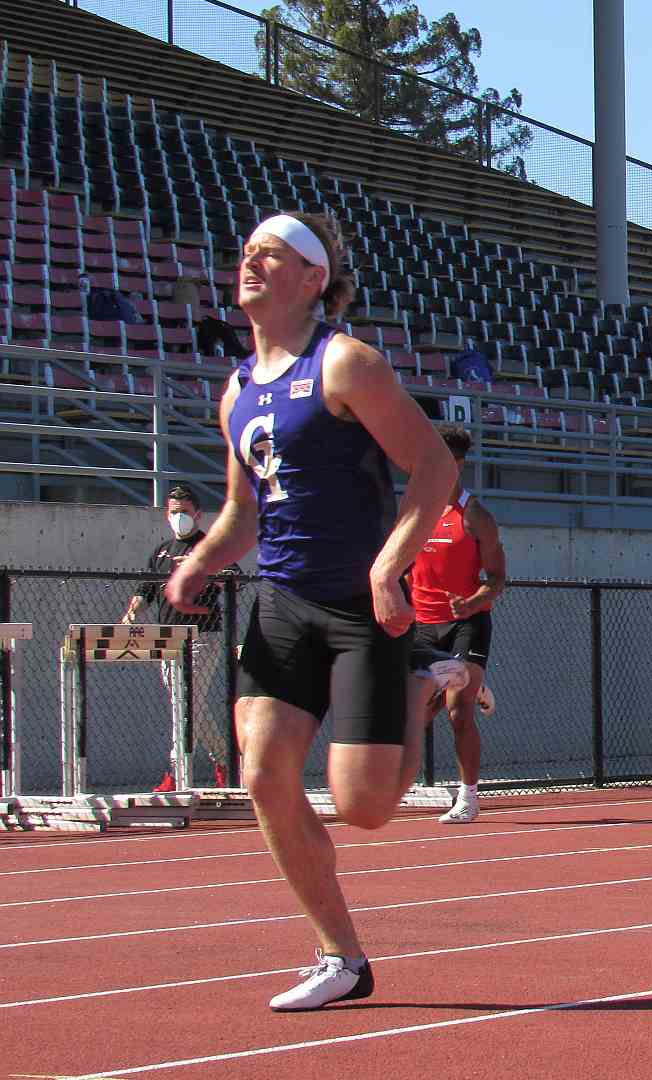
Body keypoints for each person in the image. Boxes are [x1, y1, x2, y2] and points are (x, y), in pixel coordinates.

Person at [166, 211, 458, 1010]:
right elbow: (243, 512)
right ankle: (341, 957)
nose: (250, 262)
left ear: (312, 278)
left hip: (360, 607)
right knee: (263, 773)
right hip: (283, 601)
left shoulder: (346, 364)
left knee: (364, 806)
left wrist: (390, 564)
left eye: (271, 254)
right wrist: (198, 562)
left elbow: (434, 468)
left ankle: (421, 686)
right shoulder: (237, 389)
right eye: (246, 251)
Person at [408, 424, 507, 825]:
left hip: (467, 623)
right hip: (424, 626)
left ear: (457, 465)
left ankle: (468, 797)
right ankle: (470, 683)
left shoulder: (475, 517)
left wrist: (472, 602)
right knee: (415, 715)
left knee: (457, 712)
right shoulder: (415, 512)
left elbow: (497, 579)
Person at [122, 483, 238, 790]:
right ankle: (227, 760)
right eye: (174, 512)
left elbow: (234, 580)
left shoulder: (209, 546)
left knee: (186, 701)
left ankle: (176, 771)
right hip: (167, 639)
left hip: (202, 636)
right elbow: (145, 590)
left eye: (185, 512)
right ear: (166, 514)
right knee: (188, 704)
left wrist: (204, 570)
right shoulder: (161, 551)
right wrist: (132, 614)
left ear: (198, 515)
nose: (179, 517)